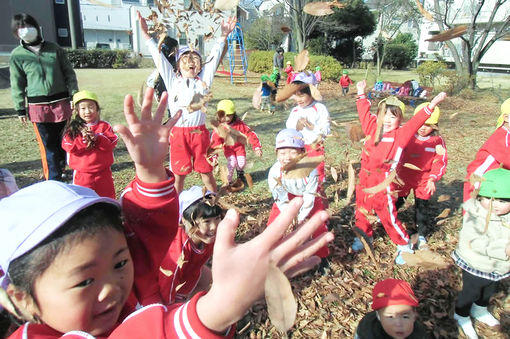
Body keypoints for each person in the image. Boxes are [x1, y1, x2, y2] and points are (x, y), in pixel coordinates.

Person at [0, 88, 334, 339]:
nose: (111, 287)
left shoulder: (130, 280)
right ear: (23, 299)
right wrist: (214, 309)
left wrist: (149, 172)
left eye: (119, 262)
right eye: (84, 280)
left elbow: (143, 232)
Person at [137, 11, 236, 193]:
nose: (191, 63)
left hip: (200, 134)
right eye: (185, 60)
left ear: (200, 65)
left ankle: (214, 201)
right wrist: (146, 36)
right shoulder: (173, 80)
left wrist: (223, 36)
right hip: (178, 135)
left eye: (195, 59)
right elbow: (159, 59)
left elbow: (214, 58)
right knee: (178, 175)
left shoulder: (204, 80)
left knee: (206, 172)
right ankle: (176, 207)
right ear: (177, 65)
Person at [352, 79, 447, 265]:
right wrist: (361, 92)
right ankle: (363, 236)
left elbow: (416, 122)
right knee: (362, 210)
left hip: (384, 182)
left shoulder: (401, 135)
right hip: (364, 179)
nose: (386, 120)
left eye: (392, 116)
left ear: (400, 120)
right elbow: (364, 113)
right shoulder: (372, 128)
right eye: (383, 114)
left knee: (387, 214)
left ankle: (403, 244)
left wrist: (433, 104)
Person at [9, 13, 79, 181]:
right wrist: (20, 108)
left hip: (61, 102)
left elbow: (69, 73)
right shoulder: (17, 55)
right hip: (38, 106)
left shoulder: (54, 48)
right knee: (48, 144)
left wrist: (74, 96)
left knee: (65, 139)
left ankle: (64, 168)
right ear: (16, 31)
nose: (25, 30)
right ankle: (53, 178)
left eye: (28, 25)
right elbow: (17, 83)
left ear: (36, 26)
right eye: (20, 27)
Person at [452, 168, 510, 339]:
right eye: (489, 199)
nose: (496, 205)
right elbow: (474, 242)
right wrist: (503, 250)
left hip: (498, 267)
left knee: (489, 290)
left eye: (503, 200)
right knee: (471, 291)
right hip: (475, 263)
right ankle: (461, 314)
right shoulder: (475, 215)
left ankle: (480, 309)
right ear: (479, 197)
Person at [267, 129, 330, 273]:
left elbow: (310, 196)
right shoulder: (275, 172)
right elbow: (279, 197)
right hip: (286, 198)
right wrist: (289, 217)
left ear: (302, 152)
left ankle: (322, 257)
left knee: (317, 226)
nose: (287, 157)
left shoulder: (310, 171)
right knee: (274, 225)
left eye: (293, 152)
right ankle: (274, 257)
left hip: (310, 198)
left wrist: (300, 218)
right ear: (277, 153)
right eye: (282, 153)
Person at [156, 186, 225, 305]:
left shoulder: (207, 237)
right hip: (165, 286)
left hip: (190, 275)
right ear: (184, 220)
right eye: (206, 221)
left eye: (217, 218)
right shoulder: (177, 252)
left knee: (207, 277)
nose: (214, 226)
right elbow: (166, 286)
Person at [396, 102, 448, 247]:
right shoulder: (408, 135)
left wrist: (433, 178)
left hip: (424, 179)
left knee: (422, 207)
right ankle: (385, 219)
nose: (423, 128)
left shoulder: (437, 141)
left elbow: (440, 161)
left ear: (435, 126)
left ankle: (421, 234)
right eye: (421, 123)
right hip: (404, 175)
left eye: (428, 124)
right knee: (398, 200)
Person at [61, 90, 118, 199]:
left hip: (103, 173)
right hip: (82, 175)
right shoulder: (73, 128)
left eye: (91, 107)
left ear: (97, 109)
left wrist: (98, 138)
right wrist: (83, 140)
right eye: (83, 108)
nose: (87, 111)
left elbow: (112, 142)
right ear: (77, 110)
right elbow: (68, 145)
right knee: (84, 200)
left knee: (107, 198)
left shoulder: (104, 126)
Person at [285, 72, 330, 184]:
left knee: (316, 171)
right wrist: (297, 125)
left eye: (302, 96)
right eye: (296, 95)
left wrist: (313, 127)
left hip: (314, 146)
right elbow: (289, 127)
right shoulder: (295, 110)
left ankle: (318, 192)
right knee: (299, 171)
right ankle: (301, 191)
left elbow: (326, 128)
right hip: (298, 147)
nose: (298, 99)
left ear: (312, 94)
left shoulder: (319, 108)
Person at [463, 98, 510, 202]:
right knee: (474, 204)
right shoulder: (501, 136)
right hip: (481, 176)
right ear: (506, 118)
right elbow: (507, 159)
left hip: (497, 177)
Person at [210, 100, 262, 187]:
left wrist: (257, 147)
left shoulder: (240, 125)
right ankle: (228, 181)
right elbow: (214, 143)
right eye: (223, 116)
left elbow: (250, 134)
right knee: (232, 163)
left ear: (234, 114)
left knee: (241, 163)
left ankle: (240, 175)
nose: (226, 118)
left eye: (229, 116)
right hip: (228, 149)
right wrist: (214, 156)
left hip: (239, 148)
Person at [355, 279, 429, 339]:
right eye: (390, 317)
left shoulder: (419, 334)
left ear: (414, 316)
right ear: (379, 317)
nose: (399, 324)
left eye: (405, 317)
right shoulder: (367, 333)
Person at [145, 35, 179, 103]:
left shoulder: (160, 65)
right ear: (172, 50)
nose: (178, 51)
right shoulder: (173, 66)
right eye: (177, 49)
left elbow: (150, 82)